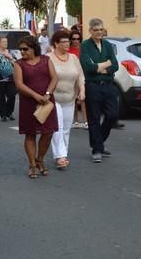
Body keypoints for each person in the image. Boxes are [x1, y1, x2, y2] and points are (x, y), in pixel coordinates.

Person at [14, 36, 58, 178]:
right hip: (29, 103)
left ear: (34, 48)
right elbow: (19, 85)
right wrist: (35, 96)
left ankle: (40, 159)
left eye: (25, 49)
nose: (22, 52)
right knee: (30, 133)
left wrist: (47, 94)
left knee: (48, 132)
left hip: (46, 102)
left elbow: (55, 78)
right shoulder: (19, 64)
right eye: (20, 49)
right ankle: (32, 164)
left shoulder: (46, 60)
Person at [79, 18, 119, 163]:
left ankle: (99, 142)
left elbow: (115, 65)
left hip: (108, 85)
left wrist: (100, 67)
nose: (98, 32)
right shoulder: (85, 46)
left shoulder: (108, 45)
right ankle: (97, 149)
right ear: (90, 31)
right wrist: (105, 65)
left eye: (101, 29)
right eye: (95, 30)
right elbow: (88, 67)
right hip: (93, 86)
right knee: (94, 118)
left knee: (112, 115)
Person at [48, 30, 85, 169]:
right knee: (57, 127)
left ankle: (63, 153)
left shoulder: (73, 58)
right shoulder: (48, 58)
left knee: (66, 128)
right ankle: (60, 157)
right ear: (56, 44)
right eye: (63, 42)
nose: (67, 44)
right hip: (54, 98)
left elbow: (80, 75)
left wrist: (82, 90)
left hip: (70, 98)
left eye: (68, 41)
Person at [0, 37, 17, 121]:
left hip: (10, 79)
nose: (6, 43)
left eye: (6, 41)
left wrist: (9, 57)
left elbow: (16, 64)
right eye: (3, 42)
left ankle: (9, 112)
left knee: (12, 95)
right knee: (0, 98)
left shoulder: (11, 52)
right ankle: (3, 115)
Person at [69, 30, 88, 129]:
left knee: (82, 99)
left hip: (82, 76)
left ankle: (85, 121)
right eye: (73, 39)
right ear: (70, 40)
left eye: (78, 39)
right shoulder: (68, 50)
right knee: (74, 100)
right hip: (72, 77)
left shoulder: (83, 49)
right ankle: (75, 121)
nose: (76, 41)